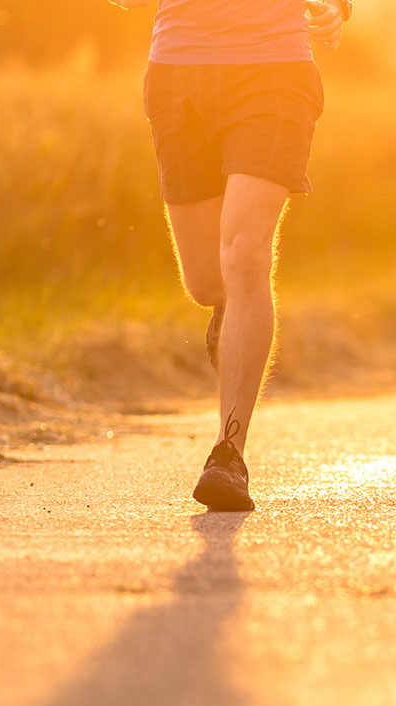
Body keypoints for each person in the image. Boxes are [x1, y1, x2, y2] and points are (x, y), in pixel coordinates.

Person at [118, 0, 351, 511]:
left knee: (246, 255)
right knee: (206, 282)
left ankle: (229, 454)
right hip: (178, 73)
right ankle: (231, 310)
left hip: (275, 71)